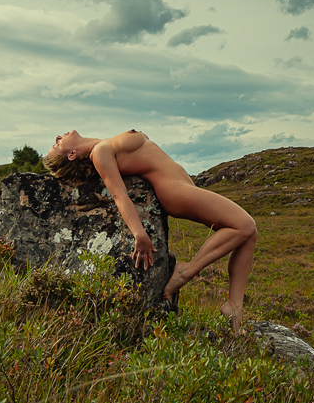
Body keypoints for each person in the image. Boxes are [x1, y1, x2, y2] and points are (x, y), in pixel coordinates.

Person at [44, 129, 257, 333]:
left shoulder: (102, 145)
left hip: (183, 187)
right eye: (57, 144)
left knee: (249, 234)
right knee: (245, 225)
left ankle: (234, 307)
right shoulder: (99, 153)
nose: (58, 137)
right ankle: (187, 271)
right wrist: (139, 233)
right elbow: (119, 195)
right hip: (174, 191)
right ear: (71, 154)